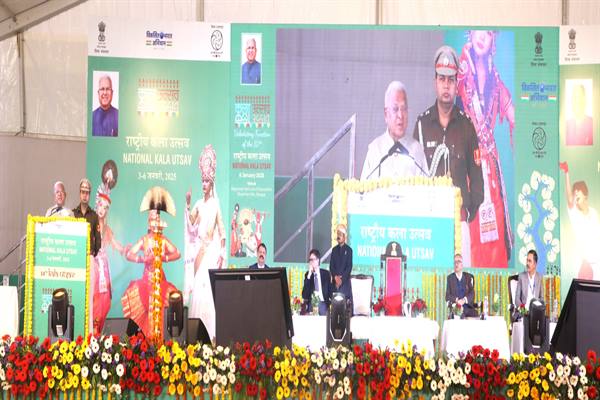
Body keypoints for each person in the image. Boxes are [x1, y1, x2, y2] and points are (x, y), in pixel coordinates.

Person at [413, 45, 484, 267]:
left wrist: (468, 211)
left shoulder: (466, 126)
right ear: (435, 82)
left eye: (451, 80)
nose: (446, 85)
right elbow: (414, 176)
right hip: (430, 223)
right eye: (442, 79)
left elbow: (477, 178)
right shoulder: (422, 124)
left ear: (456, 84)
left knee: (463, 284)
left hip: (459, 222)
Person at [457, 30, 515, 268]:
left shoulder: (495, 81)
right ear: (470, 34)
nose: (482, 37)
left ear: (493, 41)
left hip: (490, 169)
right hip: (469, 168)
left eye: (489, 33)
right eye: (479, 31)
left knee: (495, 232)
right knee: (471, 234)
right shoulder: (460, 76)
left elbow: (514, 116)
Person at [184, 144, 226, 339]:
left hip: (211, 251)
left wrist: (222, 252)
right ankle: (196, 333)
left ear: (212, 184)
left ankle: (211, 333)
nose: (203, 184)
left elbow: (222, 230)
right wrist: (187, 204)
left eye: (206, 181)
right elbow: (190, 222)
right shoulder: (199, 204)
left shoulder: (215, 204)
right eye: (202, 181)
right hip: (200, 251)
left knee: (208, 290)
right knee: (198, 289)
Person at [122, 209, 181, 337]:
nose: (155, 222)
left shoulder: (163, 240)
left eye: (157, 219)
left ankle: (159, 341)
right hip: (146, 282)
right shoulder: (144, 240)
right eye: (153, 219)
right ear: (149, 223)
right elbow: (129, 254)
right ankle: (146, 341)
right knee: (146, 312)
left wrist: (164, 258)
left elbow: (177, 253)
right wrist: (143, 259)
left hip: (160, 281)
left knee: (161, 311)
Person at [361, 81, 427, 180]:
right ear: (386, 114)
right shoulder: (375, 150)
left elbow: (427, 188)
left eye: (404, 109)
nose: (400, 115)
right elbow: (363, 188)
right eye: (395, 109)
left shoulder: (417, 150)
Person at [560, 161, 600, 280]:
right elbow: (569, 199)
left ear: (585, 194)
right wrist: (566, 172)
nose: (576, 193)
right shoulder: (575, 214)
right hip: (585, 265)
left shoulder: (594, 213)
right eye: (574, 192)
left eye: (578, 191)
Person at [72, 178, 101, 257]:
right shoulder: (73, 214)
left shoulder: (94, 216)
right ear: (80, 193)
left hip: (89, 256)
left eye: (87, 193)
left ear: (90, 195)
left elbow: (98, 240)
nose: (85, 195)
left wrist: (94, 256)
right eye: (83, 192)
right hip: (75, 255)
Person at [301, 249, 332, 315]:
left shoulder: (326, 274)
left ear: (318, 260)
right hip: (312, 304)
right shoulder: (308, 275)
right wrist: (309, 275)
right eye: (310, 260)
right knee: (312, 306)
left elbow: (330, 291)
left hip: (323, 303)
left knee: (322, 306)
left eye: (313, 259)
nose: (311, 262)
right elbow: (304, 295)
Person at [329, 224, 353, 306]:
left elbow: (349, 267)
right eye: (337, 234)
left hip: (344, 284)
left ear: (344, 236)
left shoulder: (349, 250)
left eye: (340, 234)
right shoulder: (334, 250)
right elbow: (331, 266)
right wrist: (335, 277)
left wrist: (341, 280)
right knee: (334, 308)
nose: (338, 236)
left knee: (344, 308)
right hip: (334, 284)